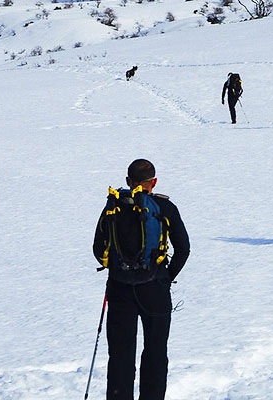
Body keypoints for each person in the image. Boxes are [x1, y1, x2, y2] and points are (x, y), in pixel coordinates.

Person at [92, 159, 190, 400]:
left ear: (128, 181)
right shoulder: (164, 208)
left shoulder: (114, 206)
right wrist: (166, 277)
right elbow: (183, 249)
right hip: (155, 289)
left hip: (119, 289)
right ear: (153, 182)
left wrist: (117, 268)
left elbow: (98, 247)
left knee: (120, 356)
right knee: (156, 353)